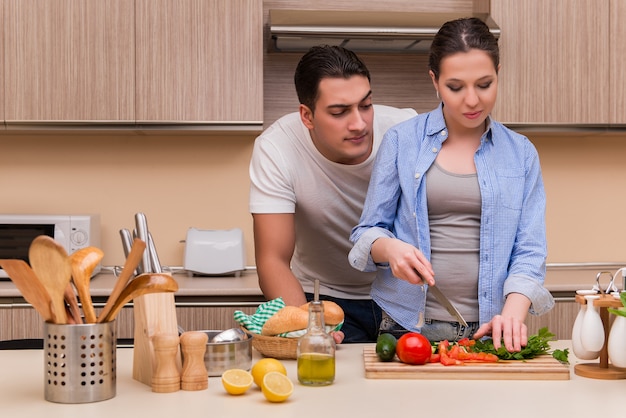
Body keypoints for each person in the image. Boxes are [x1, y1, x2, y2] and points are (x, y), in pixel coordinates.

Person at [349, 17, 554, 352]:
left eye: (485, 84)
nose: (471, 101)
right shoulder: (402, 141)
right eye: (456, 87)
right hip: (407, 328)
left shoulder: (521, 153)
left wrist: (513, 314)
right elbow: (368, 230)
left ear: (498, 73)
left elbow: (530, 249)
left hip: (491, 330)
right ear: (435, 80)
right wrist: (390, 249)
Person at [249, 45, 417, 343]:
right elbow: (273, 259)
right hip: (324, 300)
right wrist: (309, 330)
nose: (359, 124)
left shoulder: (406, 132)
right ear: (307, 116)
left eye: (365, 105)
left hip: (404, 298)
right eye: (339, 112)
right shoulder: (277, 148)